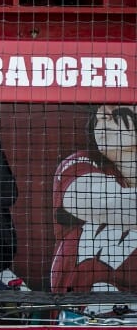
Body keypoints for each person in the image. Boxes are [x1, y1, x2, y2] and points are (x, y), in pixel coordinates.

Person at [51, 105, 137, 309]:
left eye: (116, 114)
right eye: (98, 118)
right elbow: (105, 204)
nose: (102, 120)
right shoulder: (81, 162)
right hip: (78, 318)